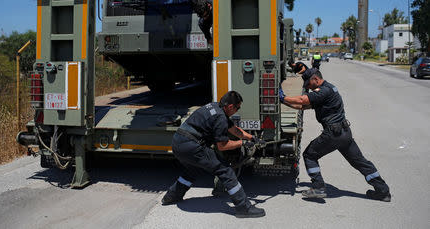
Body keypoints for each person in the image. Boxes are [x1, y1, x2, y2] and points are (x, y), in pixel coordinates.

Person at [278, 68, 391, 202]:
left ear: (316, 79)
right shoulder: (328, 91)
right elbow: (302, 107)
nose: (308, 86)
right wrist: (284, 101)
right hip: (344, 133)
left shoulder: (324, 91)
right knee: (360, 162)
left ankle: (318, 187)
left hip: (333, 133)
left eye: (309, 83)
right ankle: (383, 191)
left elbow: (302, 100)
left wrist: (283, 97)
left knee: (309, 154)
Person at [162, 91, 266, 218]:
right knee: (225, 170)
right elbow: (222, 146)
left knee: (193, 169)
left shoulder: (216, 107)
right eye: (238, 108)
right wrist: (242, 143)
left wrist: (252, 138)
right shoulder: (220, 117)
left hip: (178, 143)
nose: (237, 111)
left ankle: (171, 197)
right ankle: (243, 207)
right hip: (192, 146)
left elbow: (234, 130)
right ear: (230, 107)